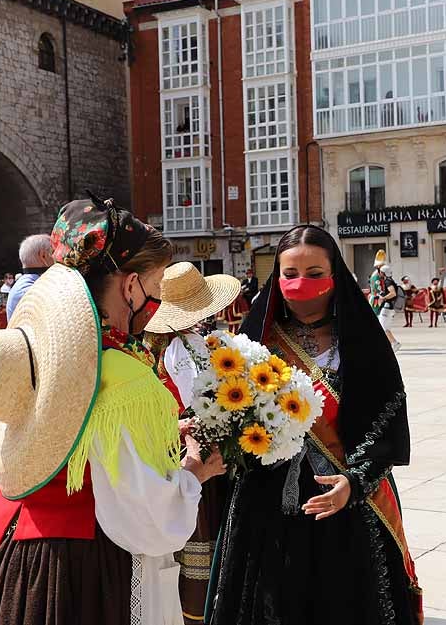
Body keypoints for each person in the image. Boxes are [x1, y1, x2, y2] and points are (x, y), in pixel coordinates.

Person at [0, 196, 226, 625]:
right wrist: (192, 472)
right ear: (130, 286)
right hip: (82, 568)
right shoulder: (120, 375)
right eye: (156, 286)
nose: (157, 302)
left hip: (8, 551)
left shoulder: (49, 354)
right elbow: (147, 518)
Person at [209, 225, 423, 625]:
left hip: (344, 503)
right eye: (289, 274)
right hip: (266, 506)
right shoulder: (256, 342)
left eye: (313, 273)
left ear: (335, 276)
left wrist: (355, 483)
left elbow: (388, 421)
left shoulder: (361, 342)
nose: (300, 283)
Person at [144, 261, 241, 625]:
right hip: (195, 453)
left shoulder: (192, 344)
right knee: (200, 534)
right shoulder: (180, 350)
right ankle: (196, 611)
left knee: (204, 534)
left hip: (196, 448)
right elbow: (196, 402)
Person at [6, 234, 55, 320]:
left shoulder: (28, 283)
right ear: (43, 255)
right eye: (53, 252)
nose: (57, 257)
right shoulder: (29, 290)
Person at [377, 264, 401, 351]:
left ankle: (394, 343)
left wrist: (383, 298)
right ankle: (393, 344)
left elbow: (393, 293)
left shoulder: (388, 281)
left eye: (381, 272)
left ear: (384, 273)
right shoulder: (391, 281)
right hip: (390, 308)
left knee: (382, 327)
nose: (379, 274)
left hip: (387, 308)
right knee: (385, 327)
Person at [368, 250, 387, 316]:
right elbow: (377, 288)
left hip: (379, 298)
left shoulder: (378, 275)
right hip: (377, 299)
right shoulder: (376, 275)